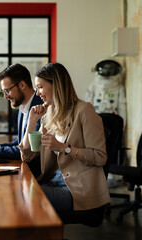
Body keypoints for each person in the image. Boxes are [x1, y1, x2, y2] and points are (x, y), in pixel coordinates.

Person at [19, 62, 110, 214]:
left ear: (57, 85)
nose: (37, 93)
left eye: (40, 87)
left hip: (77, 190)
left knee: (26, 195)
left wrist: (64, 148)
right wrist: (31, 121)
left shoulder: (84, 110)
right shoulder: (48, 116)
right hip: (53, 181)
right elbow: (27, 155)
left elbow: (100, 157)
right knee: (20, 190)